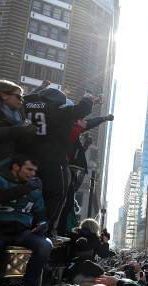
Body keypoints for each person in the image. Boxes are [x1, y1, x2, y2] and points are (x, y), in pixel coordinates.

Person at [22, 88, 100, 235]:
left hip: (28, 160)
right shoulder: (58, 112)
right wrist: (88, 98)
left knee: (28, 193)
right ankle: (44, 229)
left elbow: (25, 97)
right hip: (53, 161)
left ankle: (26, 224)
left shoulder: (27, 106)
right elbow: (83, 109)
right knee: (57, 194)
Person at [0, 155, 52, 286]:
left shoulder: (34, 191)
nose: (33, 174)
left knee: (45, 245)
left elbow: (41, 214)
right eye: (29, 169)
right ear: (16, 167)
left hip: (21, 233)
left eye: (35, 171)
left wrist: (42, 224)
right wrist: (25, 189)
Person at [0, 80, 37, 173]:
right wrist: (15, 131)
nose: (22, 100)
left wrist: (27, 133)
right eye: (18, 96)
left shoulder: (18, 115)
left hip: (6, 167)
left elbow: (16, 145)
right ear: (4, 95)